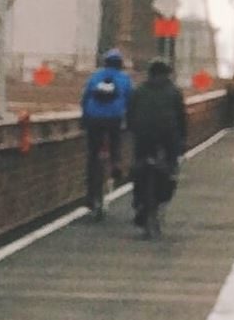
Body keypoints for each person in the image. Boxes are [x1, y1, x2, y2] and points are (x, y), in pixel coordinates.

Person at [127, 56, 186, 236]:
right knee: (170, 170)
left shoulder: (139, 90)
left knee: (139, 168)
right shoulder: (174, 92)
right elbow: (181, 119)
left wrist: (133, 130)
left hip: (143, 136)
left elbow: (130, 114)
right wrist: (182, 141)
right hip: (168, 137)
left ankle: (139, 201)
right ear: (167, 74)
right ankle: (161, 198)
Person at [79, 47, 133, 218]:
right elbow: (130, 101)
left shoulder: (95, 76)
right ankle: (116, 163)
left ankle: (90, 195)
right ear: (120, 64)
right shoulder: (124, 79)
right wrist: (129, 121)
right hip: (114, 119)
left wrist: (84, 118)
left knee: (93, 156)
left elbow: (85, 98)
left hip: (94, 119)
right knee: (115, 142)